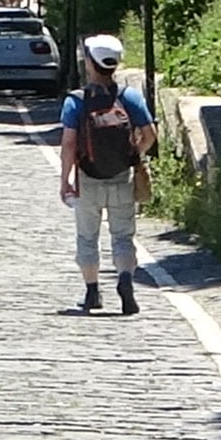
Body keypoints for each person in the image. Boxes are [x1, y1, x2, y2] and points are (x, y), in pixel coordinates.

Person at [58, 33, 154, 314]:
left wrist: (65, 180)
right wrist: (134, 156)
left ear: (90, 63)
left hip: (88, 178)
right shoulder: (129, 97)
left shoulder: (76, 101)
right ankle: (125, 279)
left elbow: (68, 143)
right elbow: (150, 134)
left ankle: (92, 292)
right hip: (122, 177)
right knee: (123, 236)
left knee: (87, 237)